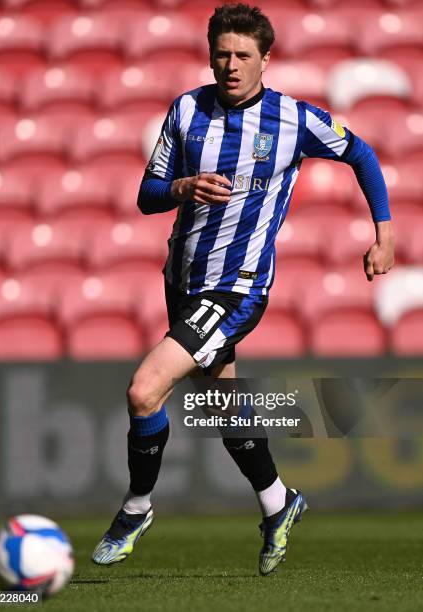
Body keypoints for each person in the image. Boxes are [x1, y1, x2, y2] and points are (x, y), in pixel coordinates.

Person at [92, 3, 394, 575]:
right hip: (182, 278)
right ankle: (278, 503)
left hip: (238, 286)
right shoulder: (186, 110)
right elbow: (147, 194)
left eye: (243, 56)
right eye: (222, 54)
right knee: (225, 403)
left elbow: (362, 153)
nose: (231, 65)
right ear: (211, 57)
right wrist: (181, 185)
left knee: (143, 389)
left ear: (265, 61)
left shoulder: (293, 119)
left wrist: (384, 235)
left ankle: (136, 509)